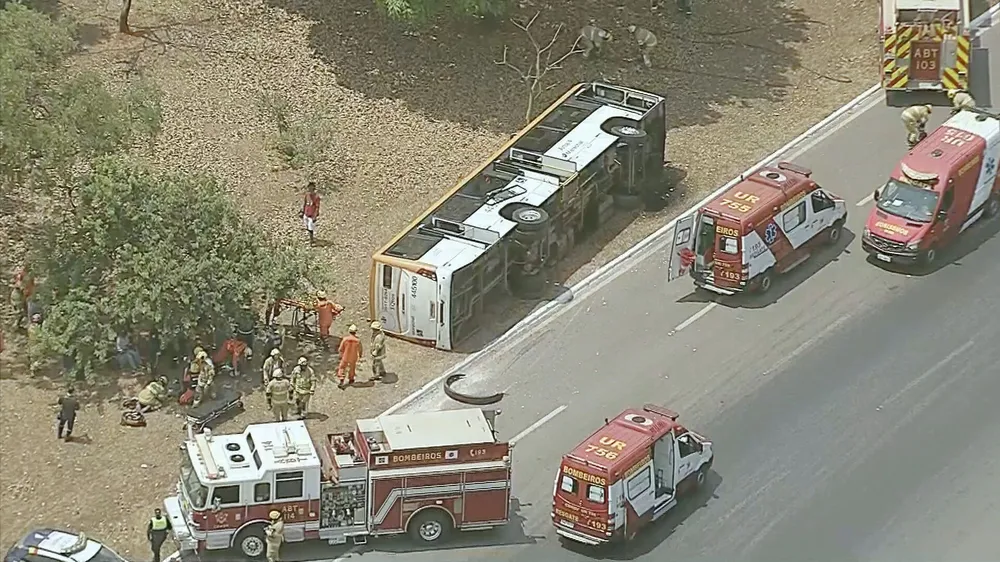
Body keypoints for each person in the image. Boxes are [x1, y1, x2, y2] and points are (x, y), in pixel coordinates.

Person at [337, 324, 362, 389]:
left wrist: (340, 355)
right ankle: (351, 379)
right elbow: (360, 349)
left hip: (345, 356)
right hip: (353, 357)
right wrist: (360, 355)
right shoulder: (357, 340)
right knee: (352, 368)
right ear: (355, 332)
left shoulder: (345, 339)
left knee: (342, 367)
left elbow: (340, 349)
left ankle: (341, 378)